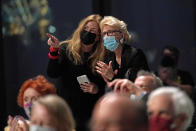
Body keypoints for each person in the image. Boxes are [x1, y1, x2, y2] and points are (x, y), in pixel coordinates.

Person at [46, 14, 106, 130]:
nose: (87, 32)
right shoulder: (65, 49)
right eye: (85, 28)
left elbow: (106, 86)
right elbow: (52, 73)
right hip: (66, 112)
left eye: (92, 30)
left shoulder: (102, 57)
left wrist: (96, 89)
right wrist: (54, 51)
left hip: (88, 114)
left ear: (98, 36)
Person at [95, 16, 149, 90]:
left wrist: (112, 77)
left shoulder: (135, 54)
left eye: (110, 32)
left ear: (122, 35)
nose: (106, 37)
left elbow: (137, 86)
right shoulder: (107, 58)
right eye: (104, 34)